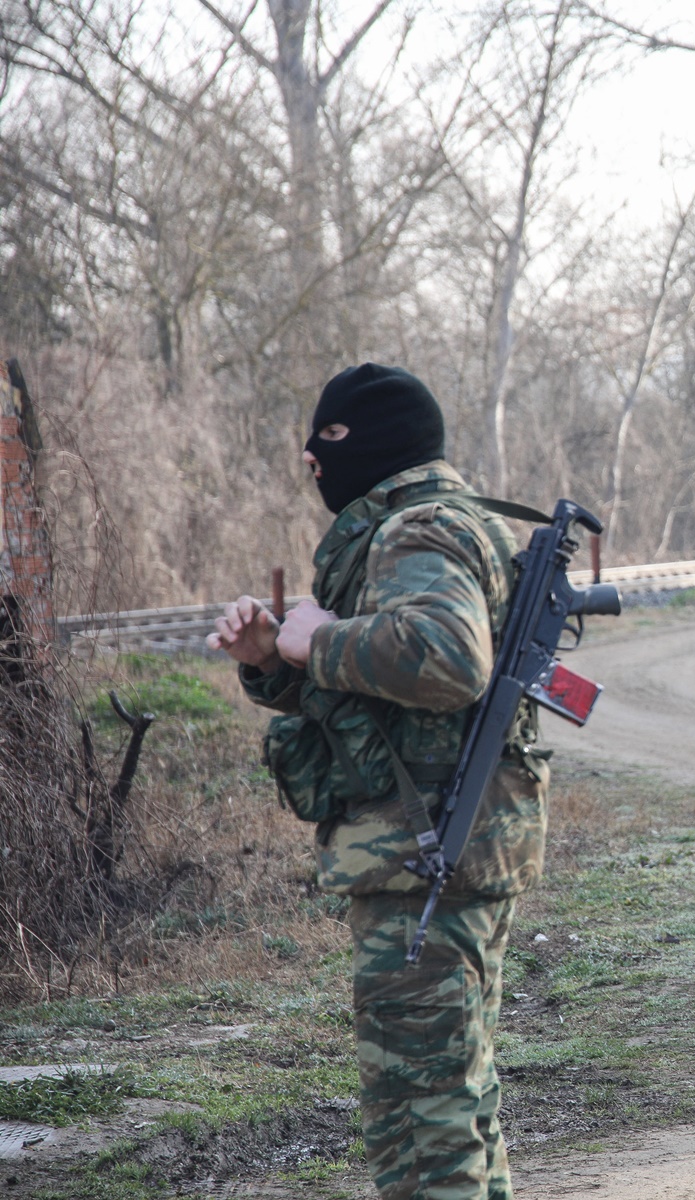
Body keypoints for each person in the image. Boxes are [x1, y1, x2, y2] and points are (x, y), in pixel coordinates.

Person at [209, 364, 544, 1198]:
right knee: (454, 1104)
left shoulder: (415, 532)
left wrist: (314, 640)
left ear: (375, 444)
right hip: (444, 850)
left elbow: (446, 660)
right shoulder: (439, 523)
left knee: (421, 1126)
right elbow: (397, 706)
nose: (312, 463)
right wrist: (270, 662)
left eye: (325, 442)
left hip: (425, 855)